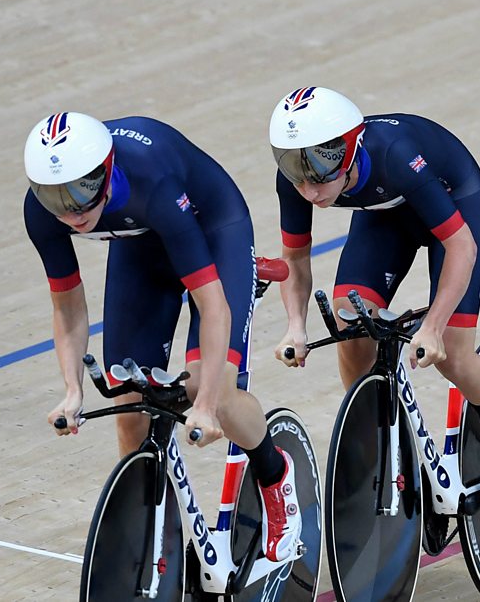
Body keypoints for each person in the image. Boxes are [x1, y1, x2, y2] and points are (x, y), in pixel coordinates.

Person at [24, 112, 302, 562]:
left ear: (107, 170)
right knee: (129, 402)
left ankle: (274, 475)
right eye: (55, 197)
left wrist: (208, 404)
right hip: (140, 241)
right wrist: (73, 390)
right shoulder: (42, 209)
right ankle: (154, 539)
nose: (70, 211)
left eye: (78, 192)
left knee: (210, 388)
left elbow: (212, 305)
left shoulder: (153, 182)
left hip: (210, 229)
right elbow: (67, 306)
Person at [266, 86, 480, 520]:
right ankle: (379, 449)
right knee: (350, 327)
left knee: (453, 355)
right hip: (385, 215)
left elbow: (461, 246)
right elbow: (294, 256)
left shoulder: (394, 154)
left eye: (320, 168)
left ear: (350, 149)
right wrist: (295, 324)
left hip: (451, 205)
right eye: (296, 169)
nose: (309, 187)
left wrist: (432, 326)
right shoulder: (298, 178)